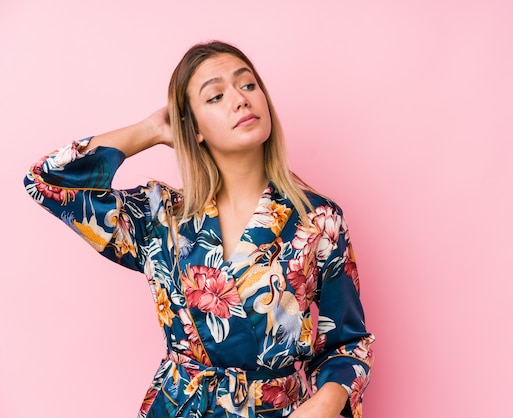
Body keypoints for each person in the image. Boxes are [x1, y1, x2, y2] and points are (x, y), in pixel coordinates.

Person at [24, 40, 374, 418]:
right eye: (215, 96)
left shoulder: (318, 220)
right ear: (193, 128)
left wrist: (327, 400)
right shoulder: (160, 217)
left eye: (248, 85)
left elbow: (348, 342)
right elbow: (49, 181)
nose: (240, 99)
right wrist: (150, 130)